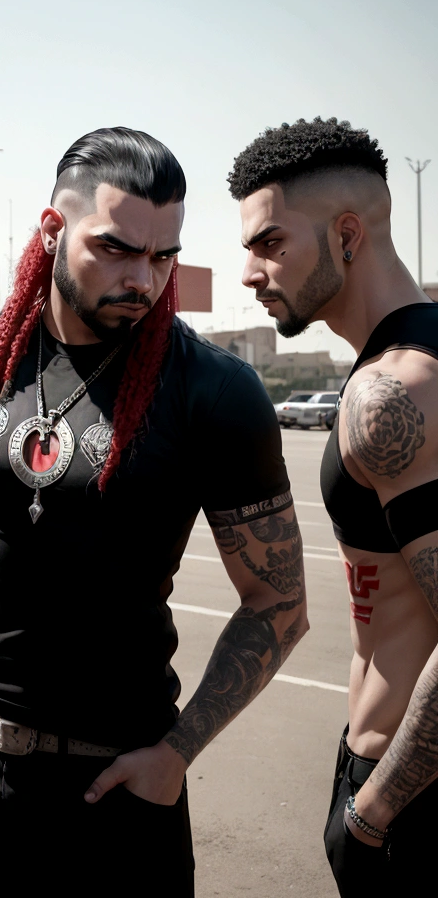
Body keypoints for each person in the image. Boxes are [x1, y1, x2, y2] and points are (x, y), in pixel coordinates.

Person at [0, 127, 309, 896]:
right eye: (117, 249)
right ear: (52, 229)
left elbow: (280, 603)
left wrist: (178, 751)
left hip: (123, 785)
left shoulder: (214, 391)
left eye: (163, 255)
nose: (144, 278)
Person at [231, 117, 438, 894]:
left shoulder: (393, 391)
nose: (250, 271)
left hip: (407, 793)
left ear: (347, 235)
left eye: (270, 243)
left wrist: (372, 812)